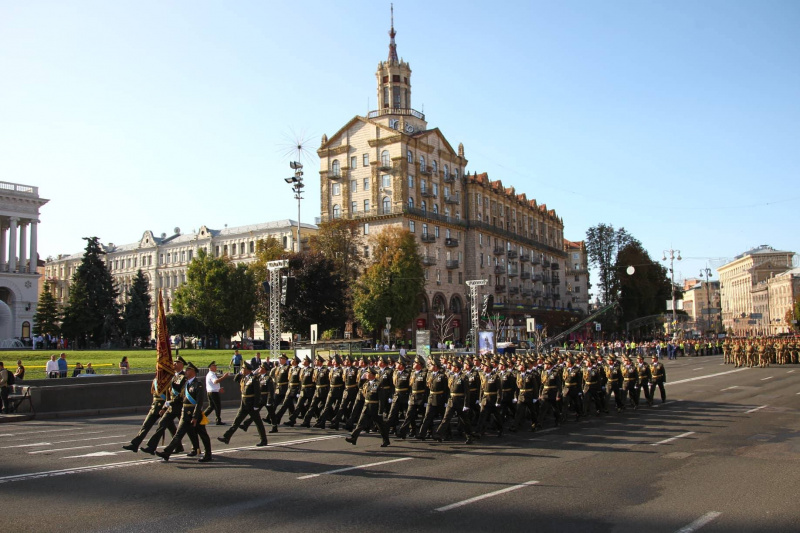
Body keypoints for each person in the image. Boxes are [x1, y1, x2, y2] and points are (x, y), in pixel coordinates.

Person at [156, 362, 212, 463]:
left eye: (188, 370)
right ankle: (166, 453)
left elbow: (199, 402)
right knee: (178, 434)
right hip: (185, 413)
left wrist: (195, 417)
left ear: (193, 372)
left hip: (194, 414)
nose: (186, 371)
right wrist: (168, 404)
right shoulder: (186, 384)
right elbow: (179, 397)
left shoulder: (198, 384)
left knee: (203, 434)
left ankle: (208, 454)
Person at [217, 362, 268, 447]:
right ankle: (227, 437)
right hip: (244, 404)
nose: (242, 370)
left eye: (243, 369)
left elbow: (257, 393)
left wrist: (256, 405)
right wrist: (240, 373)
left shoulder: (254, 379)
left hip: (251, 404)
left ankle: (264, 440)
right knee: (236, 421)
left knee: (258, 423)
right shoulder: (244, 378)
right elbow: (235, 379)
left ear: (248, 370)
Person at [345, 366, 390, 447]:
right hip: (366, 406)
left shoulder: (378, 384)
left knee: (380, 426)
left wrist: (380, 411)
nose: (366, 374)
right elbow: (359, 386)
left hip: (374, 407)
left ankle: (386, 440)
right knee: (360, 423)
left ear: (372, 374)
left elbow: (381, 399)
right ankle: (353, 438)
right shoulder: (366, 383)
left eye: (367, 373)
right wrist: (361, 379)